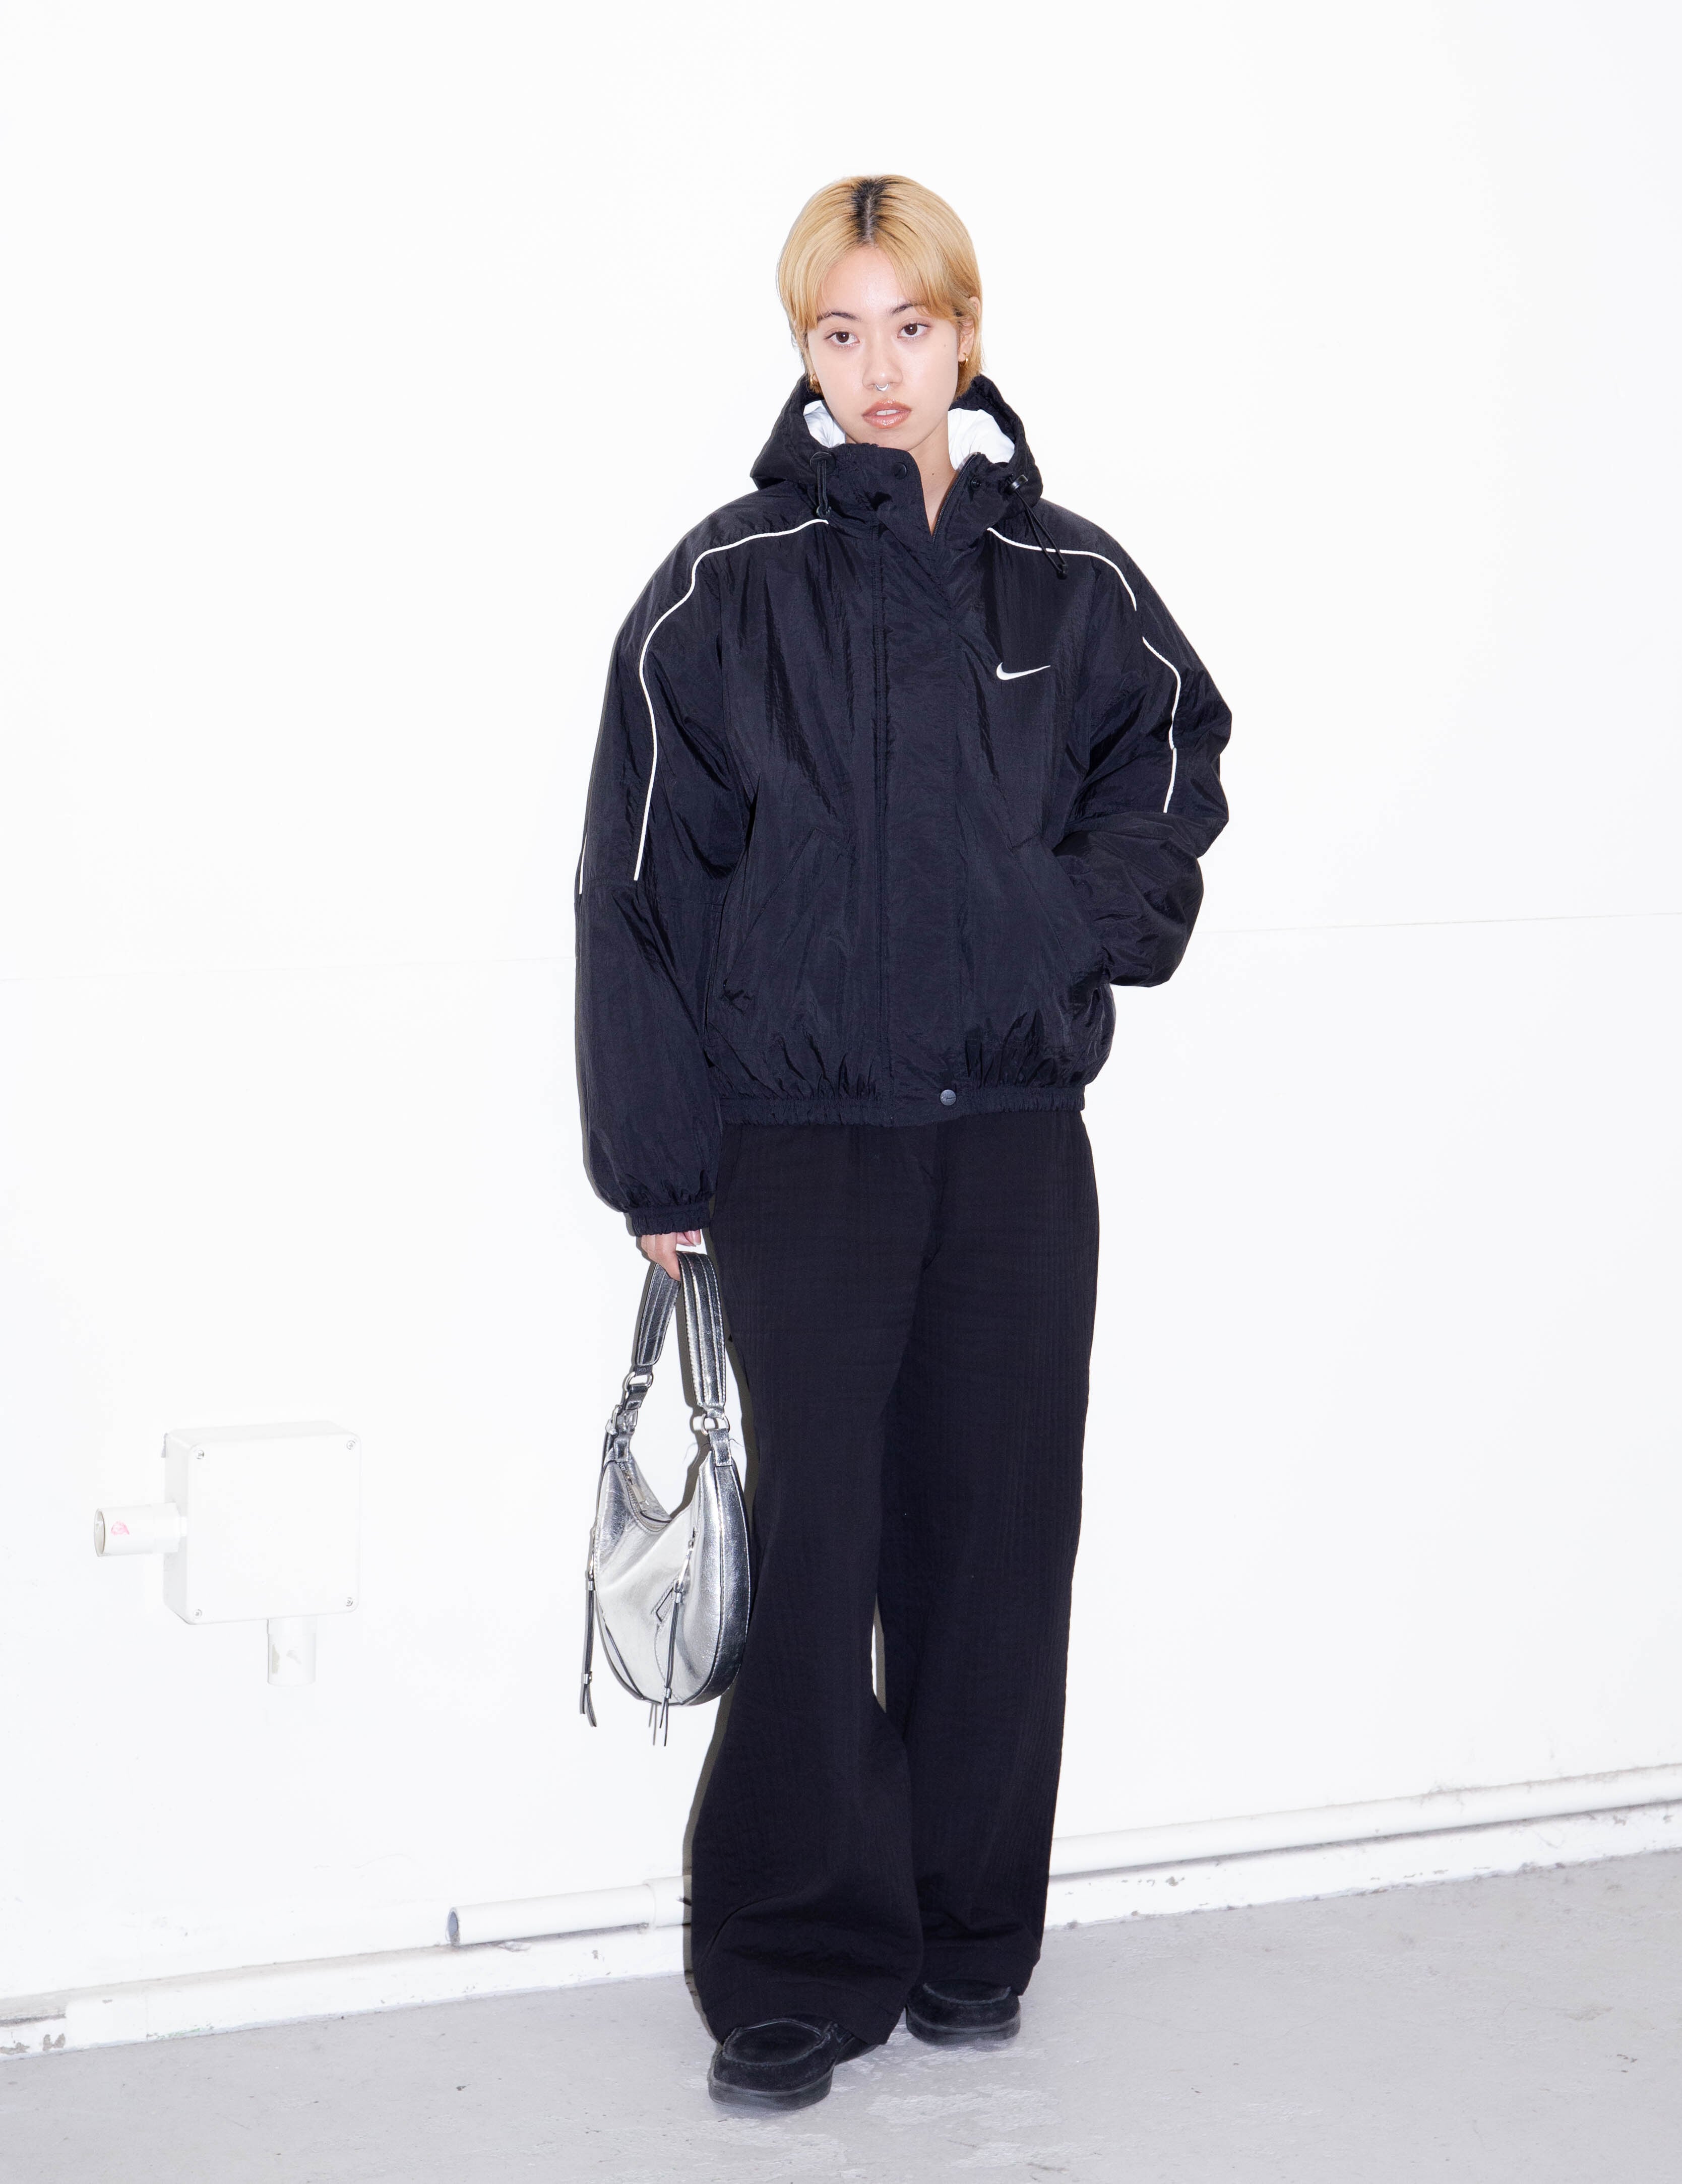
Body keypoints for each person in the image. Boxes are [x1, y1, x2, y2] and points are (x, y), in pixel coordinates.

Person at [574, 174, 1230, 2111]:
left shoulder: (1069, 582)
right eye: (839, 333)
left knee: (998, 1544)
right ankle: (792, 1963)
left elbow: (1172, 762)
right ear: (803, 350)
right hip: (803, 1150)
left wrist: (1063, 926)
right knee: (818, 1554)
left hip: (1015, 1142)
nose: (879, 368)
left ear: (967, 336)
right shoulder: (726, 586)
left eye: (911, 328)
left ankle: (967, 1940)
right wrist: (658, 1167)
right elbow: (636, 885)